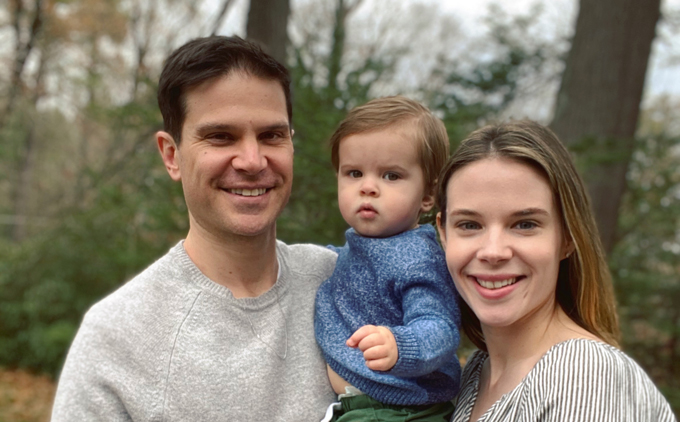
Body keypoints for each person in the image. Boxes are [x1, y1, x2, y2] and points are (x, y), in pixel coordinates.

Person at [51, 36, 338, 421]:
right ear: (172, 155)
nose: (253, 161)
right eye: (221, 136)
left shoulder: (340, 280)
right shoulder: (116, 337)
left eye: (272, 135)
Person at [436, 120, 676, 422]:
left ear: (567, 237)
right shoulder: (474, 374)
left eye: (525, 224)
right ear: (443, 233)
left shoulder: (584, 374)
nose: (493, 251)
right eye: (469, 225)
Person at [315, 96, 461, 421]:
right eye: (354, 173)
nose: (368, 187)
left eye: (391, 176)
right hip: (368, 406)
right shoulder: (367, 245)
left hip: (401, 410)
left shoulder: (416, 257)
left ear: (427, 195)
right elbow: (359, 270)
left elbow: (440, 327)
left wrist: (399, 345)